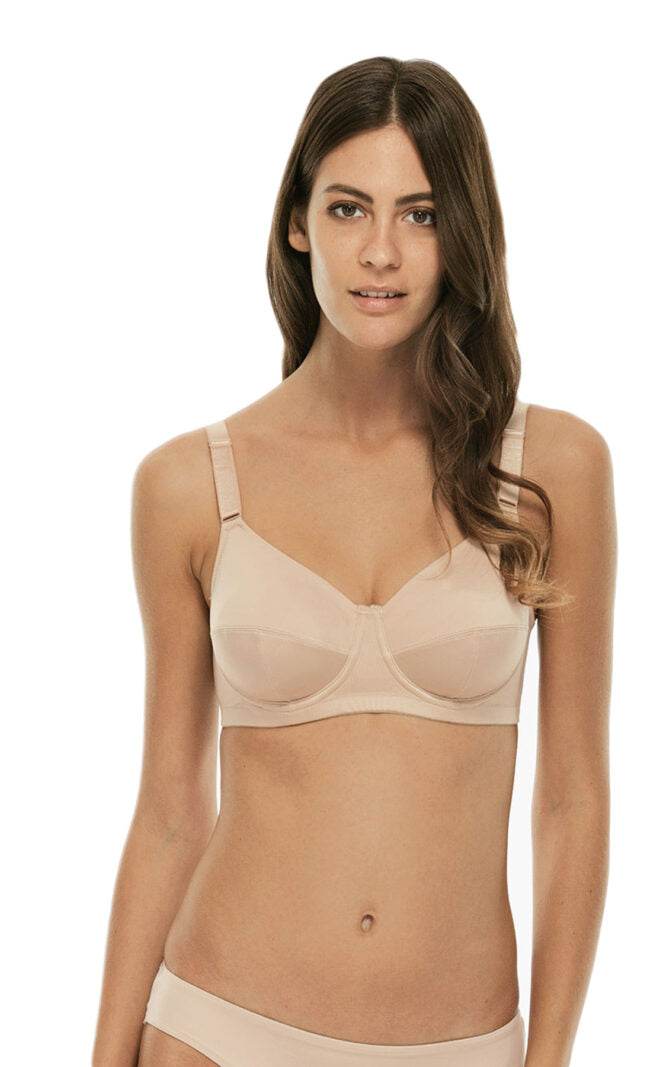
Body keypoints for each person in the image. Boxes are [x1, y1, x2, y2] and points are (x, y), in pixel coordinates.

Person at [92, 56, 616, 1067]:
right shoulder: (189, 485)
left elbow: (572, 799)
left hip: (461, 1043)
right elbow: (168, 812)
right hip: (217, 1029)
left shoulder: (550, 471)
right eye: (347, 208)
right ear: (298, 222)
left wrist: (548, 1057)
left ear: (464, 233)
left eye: (421, 214)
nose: (380, 251)